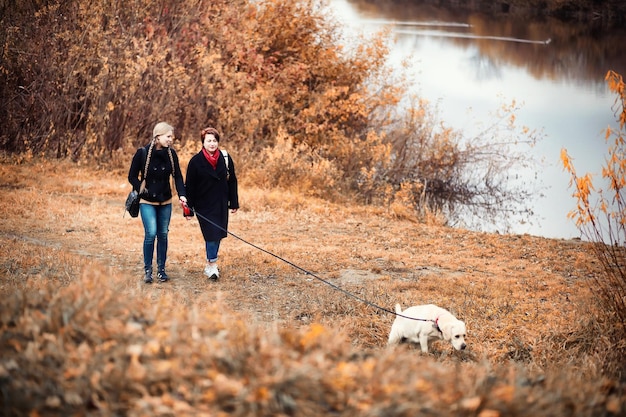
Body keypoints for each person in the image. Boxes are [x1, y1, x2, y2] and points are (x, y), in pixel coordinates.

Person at [128, 122, 187, 284]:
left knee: (163, 234)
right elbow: (131, 176)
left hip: (165, 200)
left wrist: (182, 195)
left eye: (171, 137)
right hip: (147, 201)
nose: (170, 140)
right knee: (151, 233)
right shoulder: (142, 153)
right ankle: (148, 270)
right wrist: (141, 187)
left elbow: (178, 177)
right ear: (158, 136)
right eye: (168, 137)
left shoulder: (171, 154)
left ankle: (161, 270)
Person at [185, 127, 239, 280]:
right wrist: (188, 210)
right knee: (211, 234)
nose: (212, 144)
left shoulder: (225, 158)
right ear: (203, 142)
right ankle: (212, 265)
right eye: (209, 140)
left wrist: (233, 202)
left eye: (214, 140)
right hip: (204, 205)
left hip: (221, 202)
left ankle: (210, 264)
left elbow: (232, 180)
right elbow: (189, 186)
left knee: (218, 234)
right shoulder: (195, 161)